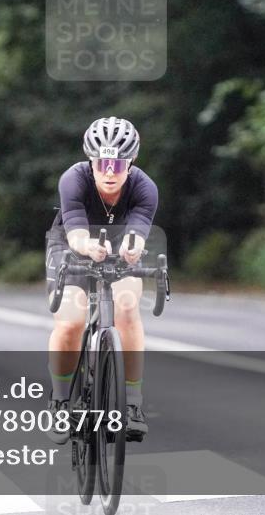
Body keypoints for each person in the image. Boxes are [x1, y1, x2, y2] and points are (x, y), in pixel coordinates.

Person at [45, 116, 158, 444]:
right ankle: (60, 401)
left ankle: (133, 406)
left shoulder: (144, 187)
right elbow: (76, 231)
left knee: (127, 306)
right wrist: (86, 246)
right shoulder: (73, 180)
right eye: (103, 163)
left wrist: (132, 248)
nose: (110, 172)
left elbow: (138, 233)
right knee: (70, 321)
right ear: (91, 161)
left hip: (121, 251)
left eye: (119, 164)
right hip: (71, 245)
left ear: (131, 162)